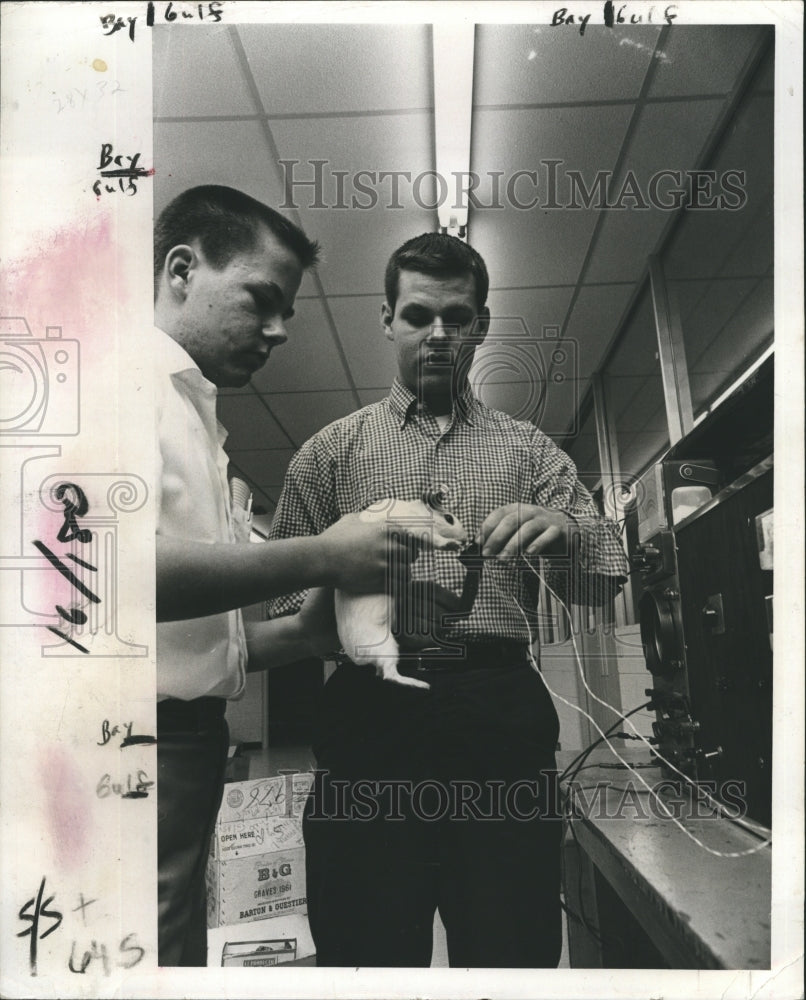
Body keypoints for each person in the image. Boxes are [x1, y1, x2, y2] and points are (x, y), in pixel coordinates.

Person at [267, 232, 629, 968]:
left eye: (457, 317)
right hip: (370, 716)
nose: (438, 333)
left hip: (496, 712)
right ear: (386, 318)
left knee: (511, 944)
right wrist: (357, 597)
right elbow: (282, 609)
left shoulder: (529, 451)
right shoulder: (329, 453)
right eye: (418, 314)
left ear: (483, 324)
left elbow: (606, 580)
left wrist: (566, 532)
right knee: (364, 949)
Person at [153, 185, 415, 966]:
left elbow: (192, 643)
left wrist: (304, 632)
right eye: (261, 299)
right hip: (141, 746)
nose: (276, 331)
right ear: (181, 269)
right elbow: (106, 578)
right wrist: (322, 554)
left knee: (168, 948)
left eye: (287, 312)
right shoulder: (121, 384)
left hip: (187, 741)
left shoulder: (193, 414)